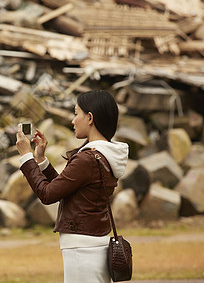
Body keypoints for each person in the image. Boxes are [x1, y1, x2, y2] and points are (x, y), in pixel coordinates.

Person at [16, 90, 129, 283]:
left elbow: (47, 194)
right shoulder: (102, 155)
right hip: (93, 243)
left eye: (76, 113)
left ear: (90, 117)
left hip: (82, 249)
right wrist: (41, 160)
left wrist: (26, 157)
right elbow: (65, 188)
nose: (73, 121)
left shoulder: (87, 158)